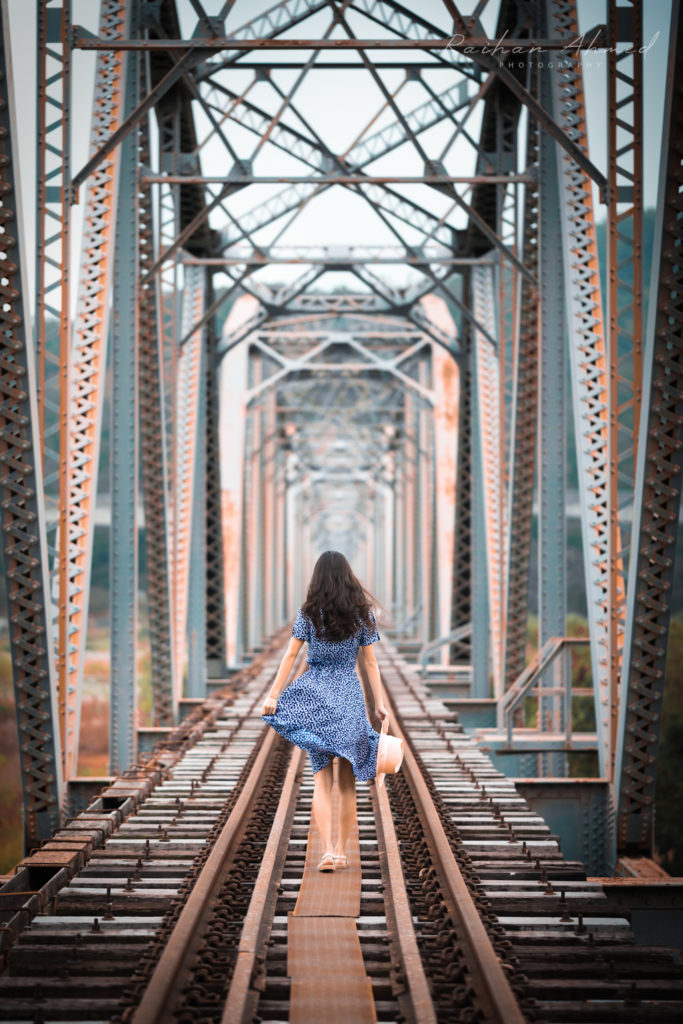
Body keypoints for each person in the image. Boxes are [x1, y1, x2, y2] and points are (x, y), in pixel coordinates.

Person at [261, 550, 389, 872]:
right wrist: (380, 703)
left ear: (317, 578)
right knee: (345, 782)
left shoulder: (308, 614)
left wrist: (274, 695)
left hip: (315, 696)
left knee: (320, 778)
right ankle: (340, 851)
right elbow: (370, 662)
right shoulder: (362, 615)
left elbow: (290, 657)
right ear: (349, 578)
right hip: (348, 696)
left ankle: (326, 853)